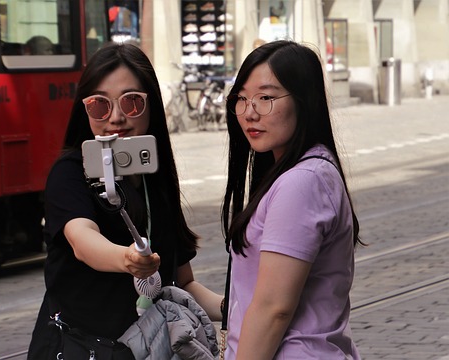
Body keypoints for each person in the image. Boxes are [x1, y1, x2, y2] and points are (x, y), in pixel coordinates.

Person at [27, 43, 222, 359]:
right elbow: (82, 239)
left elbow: (184, 283)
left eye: (131, 102)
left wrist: (237, 308)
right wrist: (128, 260)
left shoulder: (154, 179)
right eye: (99, 105)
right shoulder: (70, 172)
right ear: (84, 109)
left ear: (151, 105)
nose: (116, 117)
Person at [221, 40, 362, 359]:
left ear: (304, 101)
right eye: (241, 98)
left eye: (266, 97)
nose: (249, 112)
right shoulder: (307, 170)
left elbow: (274, 309)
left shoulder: (301, 181)